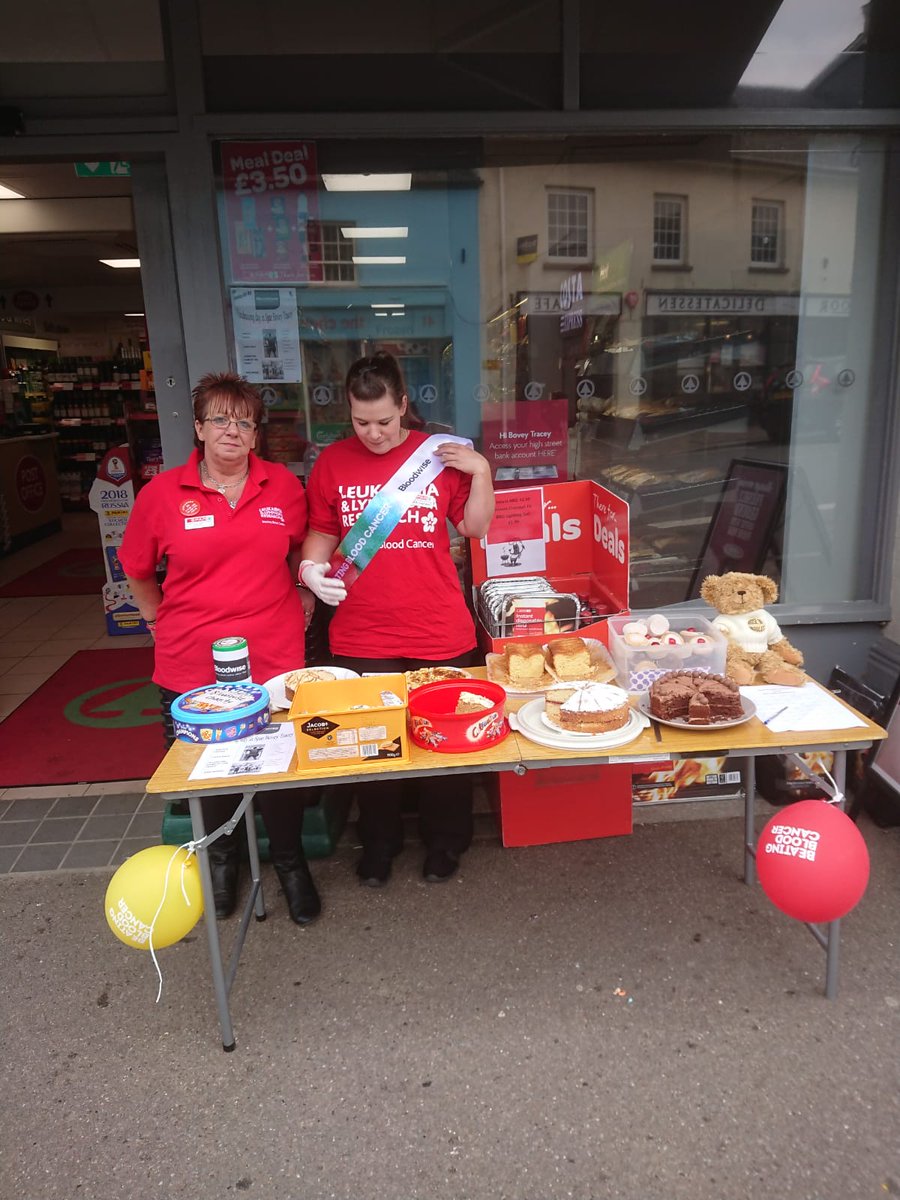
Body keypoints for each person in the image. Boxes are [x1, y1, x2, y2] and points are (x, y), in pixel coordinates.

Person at [119, 371, 321, 926]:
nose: (232, 430)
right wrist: (155, 615)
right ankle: (224, 861)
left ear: (256, 433)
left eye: (244, 421)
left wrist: (304, 590)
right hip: (191, 660)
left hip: (274, 654)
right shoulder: (162, 495)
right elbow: (136, 567)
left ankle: (289, 859)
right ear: (201, 429)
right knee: (208, 773)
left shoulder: (282, 485)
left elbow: (305, 547)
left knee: (282, 767)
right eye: (220, 419)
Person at [299, 350, 495, 886]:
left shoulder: (437, 456)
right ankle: (379, 843)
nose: (375, 433)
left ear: (403, 405)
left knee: (443, 744)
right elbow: (320, 530)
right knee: (372, 745)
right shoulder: (333, 462)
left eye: (385, 420)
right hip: (362, 630)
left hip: (437, 625)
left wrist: (480, 471)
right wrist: (310, 571)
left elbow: (475, 528)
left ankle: (446, 841)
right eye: (361, 422)